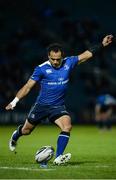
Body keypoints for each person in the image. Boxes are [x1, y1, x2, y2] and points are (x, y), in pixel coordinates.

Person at [5, 35, 113, 166]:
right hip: (41, 106)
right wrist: (14, 101)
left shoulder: (69, 62)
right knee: (26, 131)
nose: (56, 62)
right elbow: (27, 87)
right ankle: (16, 135)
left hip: (58, 106)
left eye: (58, 59)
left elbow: (86, 54)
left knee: (67, 126)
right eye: (53, 59)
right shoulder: (41, 69)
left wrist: (101, 44)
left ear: (62, 56)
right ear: (48, 56)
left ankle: (58, 157)